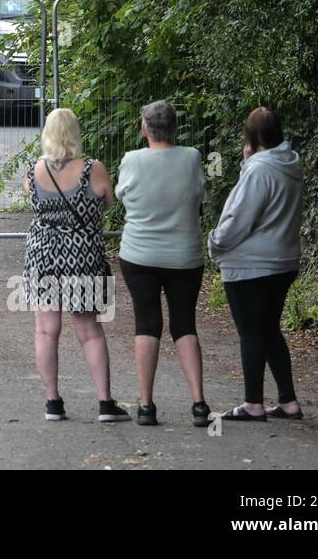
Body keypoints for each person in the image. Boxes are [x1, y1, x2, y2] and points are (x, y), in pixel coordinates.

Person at [22, 108, 131, 423]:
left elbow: (32, 199)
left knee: (45, 330)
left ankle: (53, 402)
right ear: (75, 133)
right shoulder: (92, 169)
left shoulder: (32, 170)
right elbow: (109, 201)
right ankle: (105, 403)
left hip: (42, 254)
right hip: (81, 255)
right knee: (89, 330)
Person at [115, 100, 210, 427]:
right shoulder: (192, 157)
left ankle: (145, 406)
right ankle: (199, 403)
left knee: (147, 324)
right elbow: (200, 195)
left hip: (139, 255)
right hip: (184, 254)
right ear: (176, 128)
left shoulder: (131, 160)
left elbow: (121, 196)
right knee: (185, 325)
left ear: (144, 129)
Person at [209, 107, 304, 422]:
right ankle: (288, 401)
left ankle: (253, 403)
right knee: (270, 330)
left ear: (250, 137)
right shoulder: (289, 163)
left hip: (250, 265)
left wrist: (216, 242)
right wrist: (248, 162)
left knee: (251, 333)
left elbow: (241, 216)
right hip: (284, 260)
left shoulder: (259, 170)